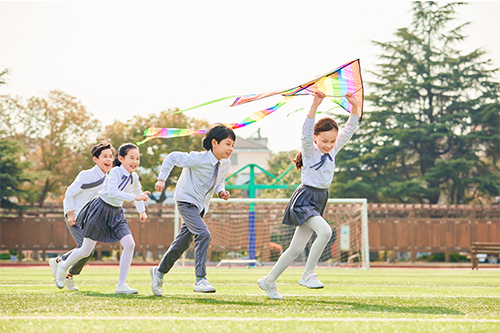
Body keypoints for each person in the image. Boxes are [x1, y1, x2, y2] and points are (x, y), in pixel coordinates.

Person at [258, 91, 360, 299]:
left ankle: (268, 281)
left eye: (332, 141)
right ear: (316, 138)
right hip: (305, 198)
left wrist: (355, 108)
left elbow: (349, 130)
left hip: (320, 198)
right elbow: (305, 131)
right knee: (325, 232)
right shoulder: (309, 149)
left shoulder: (333, 150)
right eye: (324, 141)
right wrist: (315, 104)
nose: (328, 145)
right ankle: (308, 274)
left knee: (296, 248)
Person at [150, 124, 235, 296]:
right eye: (227, 144)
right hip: (186, 201)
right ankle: (200, 279)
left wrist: (221, 191)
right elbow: (172, 157)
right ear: (214, 143)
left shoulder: (225, 163)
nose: (231, 149)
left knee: (181, 244)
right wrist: (161, 179)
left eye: (233, 145)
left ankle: (158, 272)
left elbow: (219, 179)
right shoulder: (197, 158)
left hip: (201, 206)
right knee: (203, 234)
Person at [54, 143, 150, 294]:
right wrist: (135, 197)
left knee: (130, 244)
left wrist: (142, 211)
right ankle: (63, 267)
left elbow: (138, 192)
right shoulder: (114, 173)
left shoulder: (134, 176)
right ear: (121, 159)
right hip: (99, 210)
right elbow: (112, 193)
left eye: (137, 158)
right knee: (85, 250)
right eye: (131, 158)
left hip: (117, 213)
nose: (135, 162)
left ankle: (121, 285)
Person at [49, 142, 114, 291]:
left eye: (110, 156)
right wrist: (70, 214)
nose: (108, 159)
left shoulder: (109, 178)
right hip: (76, 216)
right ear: (95, 159)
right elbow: (69, 193)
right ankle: (64, 269)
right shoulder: (86, 175)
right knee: (86, 249)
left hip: (90, 219)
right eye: (105, 156)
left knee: (86, 251)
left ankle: (60, 263)